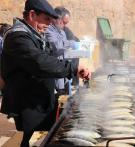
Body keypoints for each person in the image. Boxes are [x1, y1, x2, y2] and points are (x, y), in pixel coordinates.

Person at [0, 0, 90, 147]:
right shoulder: (18, 37)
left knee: (38, 136)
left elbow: (50, 57)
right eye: (47, 19)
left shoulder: (34, 33)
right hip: (27, 102)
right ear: (32, 15)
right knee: (31, 138)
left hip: (38, 99)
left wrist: (74, 65)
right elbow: (40, 62)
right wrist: (72, 69)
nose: (50, 23)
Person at [45, 7, 79, 95]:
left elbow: (65, 49)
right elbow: (56, 46)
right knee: (56, 96)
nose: (64, 25)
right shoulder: (48, 30)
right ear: (56, 18)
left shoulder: (62, 32)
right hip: (54, 70)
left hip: (63, 70)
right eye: (63, 22)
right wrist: (71, 44)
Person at [57, 6, 80, 89]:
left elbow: (74, 41)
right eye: (64, 22)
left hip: (66, 70)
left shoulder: (65, 31)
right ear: (58, 19)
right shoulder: (50, 30)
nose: (64, 25)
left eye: (66, 23)